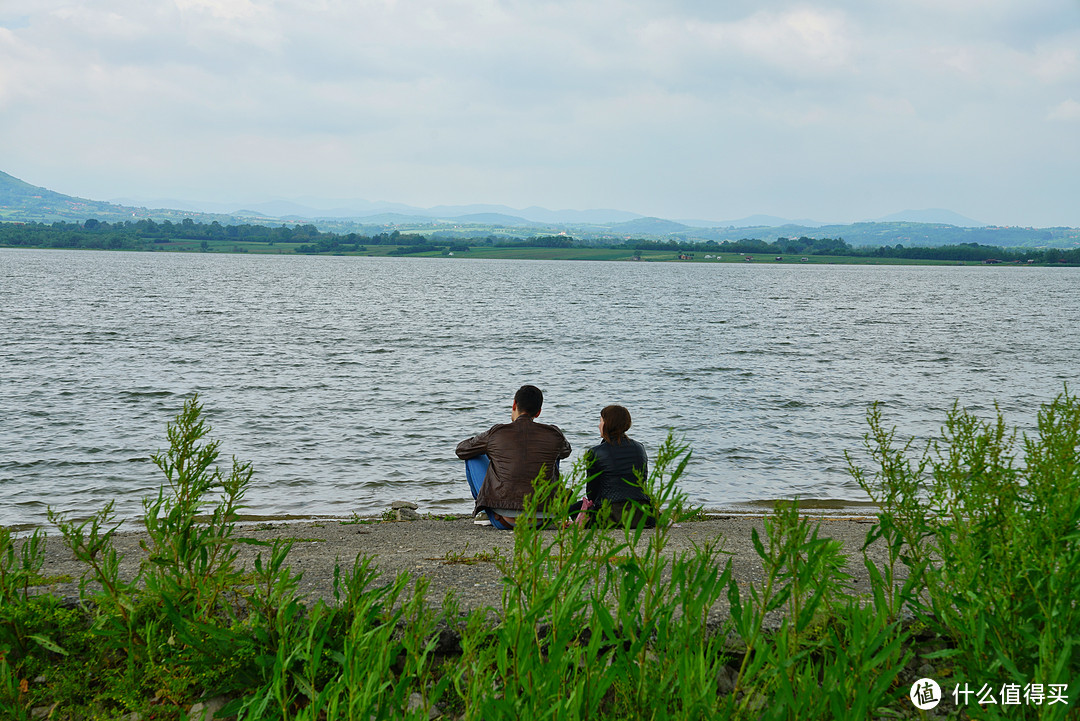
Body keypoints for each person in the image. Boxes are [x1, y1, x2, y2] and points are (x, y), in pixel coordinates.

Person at [457, 385, 572, 529]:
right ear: (539, 412)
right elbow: (566, 451)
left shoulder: (497, 432)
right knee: (554, 455)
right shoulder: (554, 433)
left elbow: (461, 450)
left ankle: (486, 512)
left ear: (514, 404)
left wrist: (489, 450)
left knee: (472, 457)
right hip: (543, 520)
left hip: (504, 520)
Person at [572, 404, 655, 528]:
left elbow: (592, 492)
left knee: (572, 508)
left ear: (607, 424)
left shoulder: (595, 452)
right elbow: (643, 481)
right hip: (640, 512)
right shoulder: (639, 448)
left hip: (611, 514)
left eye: (601, 421)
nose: (599, 425)